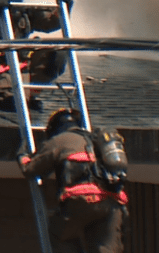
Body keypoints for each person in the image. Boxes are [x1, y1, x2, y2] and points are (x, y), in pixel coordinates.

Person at [18, 108, 128, 253]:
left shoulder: (60, 140)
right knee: (106, 249)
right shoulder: (94, 140)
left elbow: (31, 169)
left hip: (81, 200)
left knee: (60, 235)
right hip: (112, 204)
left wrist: (22, 155)